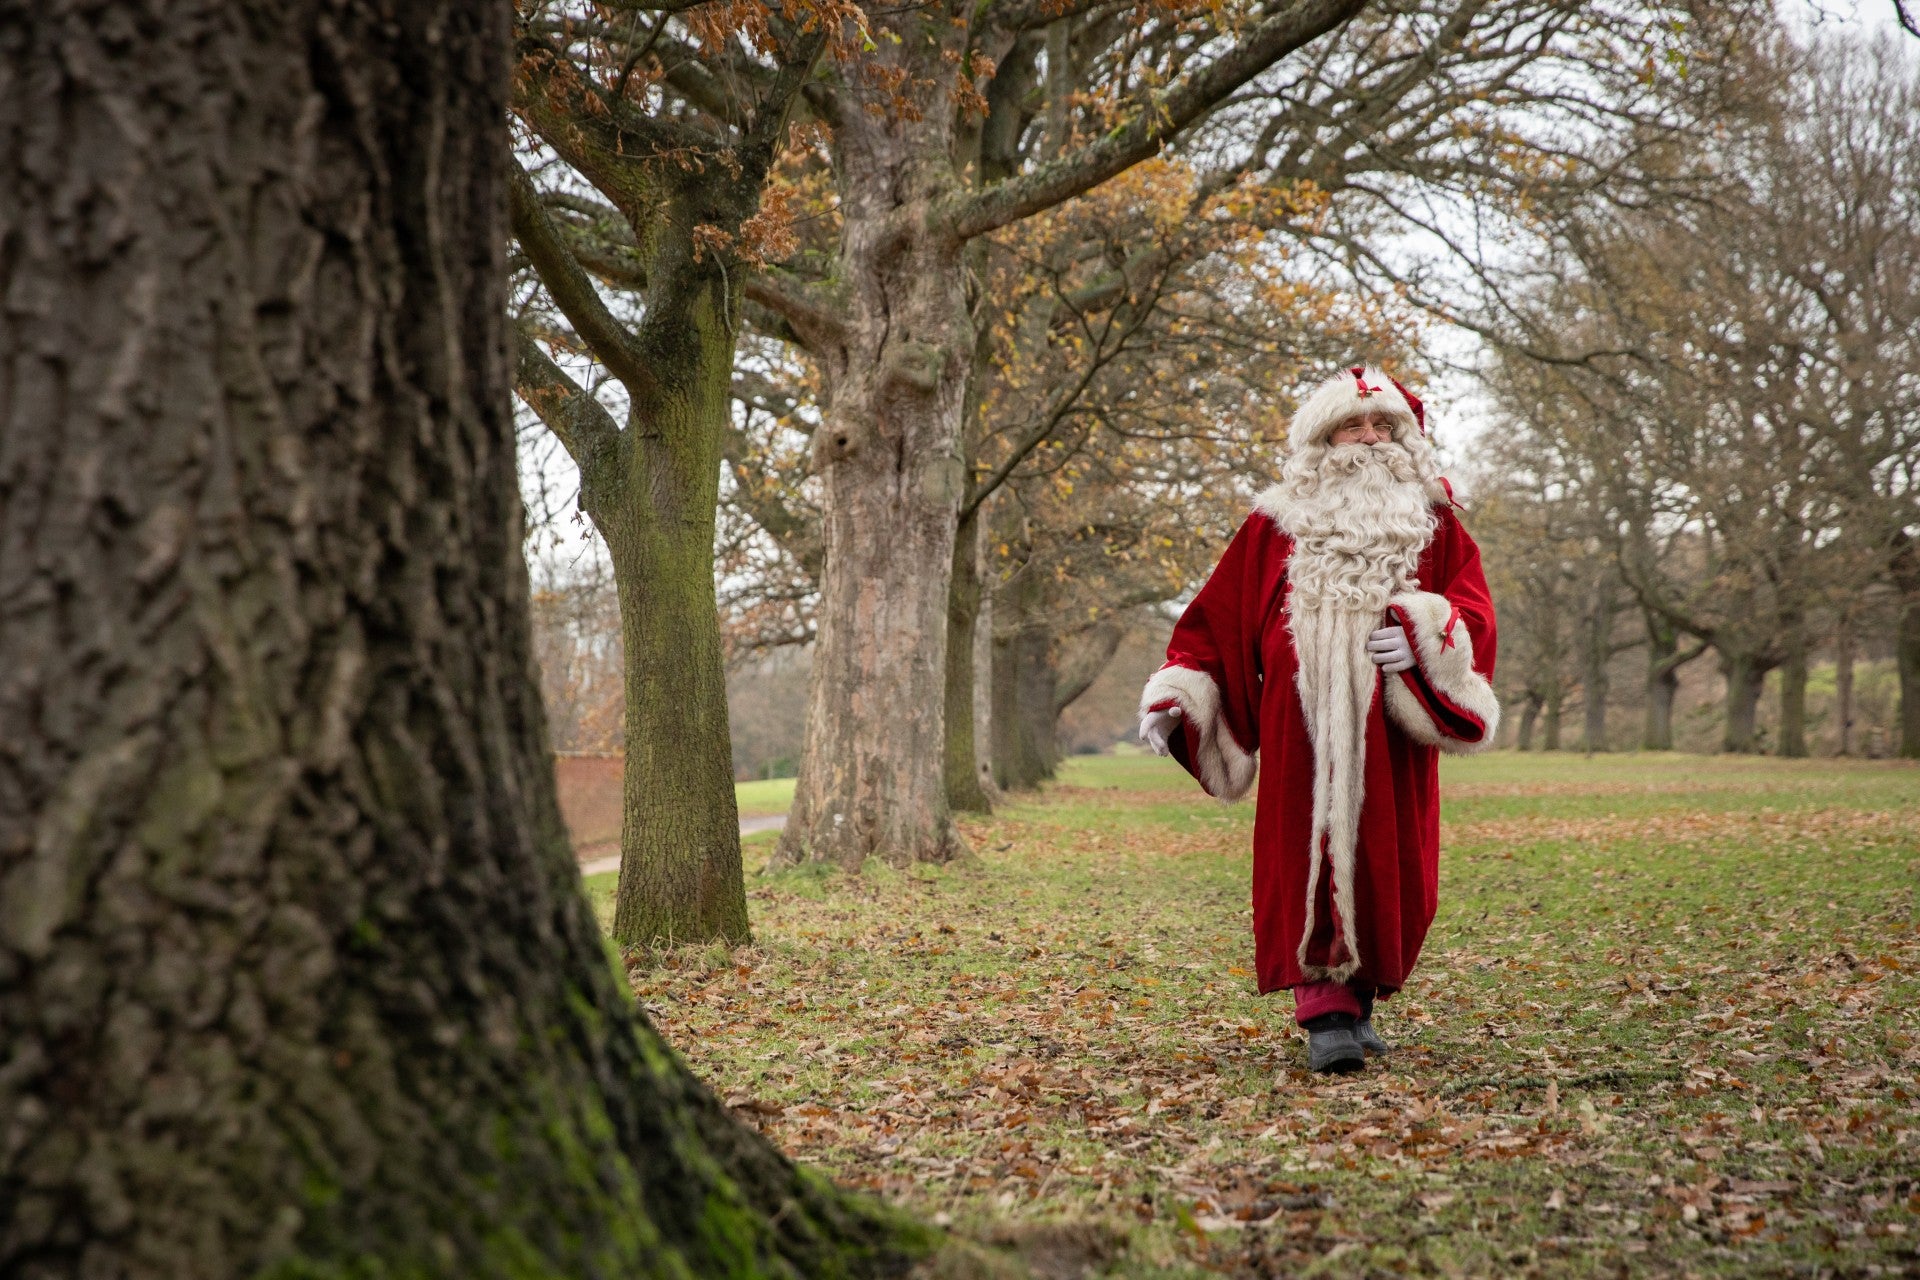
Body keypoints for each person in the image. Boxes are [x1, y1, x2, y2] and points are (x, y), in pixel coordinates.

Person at [1138, 367, 1498, 1074]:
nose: (1369, 440)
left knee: (1387, 862)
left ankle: (1358, 998)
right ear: (1322, 437)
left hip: (1391, 731)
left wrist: (1428, 637)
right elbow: (1219, 620)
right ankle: (1323, 1011)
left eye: (1383, 427)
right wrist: (1179, 693)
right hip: (1300, 729)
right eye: (1352, 426)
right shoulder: (1273, 527)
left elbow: (1474, 611)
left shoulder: (1436, 522)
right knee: (1308, 854)